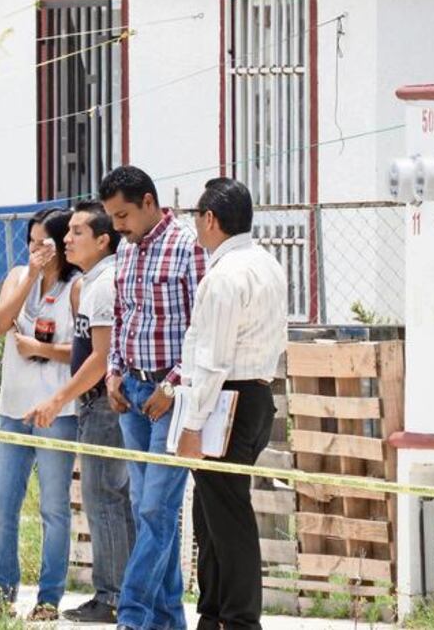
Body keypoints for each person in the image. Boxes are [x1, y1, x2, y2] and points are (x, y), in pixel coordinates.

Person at [174, 178, 287, 630]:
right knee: (212, 510)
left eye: (197, 217)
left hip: (227, 399)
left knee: (228, 513)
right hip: (255, 395)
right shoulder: (266, 263)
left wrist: (192, 424)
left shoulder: (225, 275)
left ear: (210, 219)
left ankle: (239, 619)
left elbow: (214, 358)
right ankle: (215, 611)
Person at [100, 166, 205, 630]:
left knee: (154, 509)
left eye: (122, 215)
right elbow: (123, 314)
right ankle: (168, 620)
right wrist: (114, 370)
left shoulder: (187, 246)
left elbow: (203, 327)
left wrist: (173, 383)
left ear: (148, 202)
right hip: (133, 391)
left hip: (173, 395)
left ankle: (134, 615)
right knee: (152, 513)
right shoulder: (126, 248)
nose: (117, 226)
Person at [26, 200, 135, 624]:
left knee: (103, 498)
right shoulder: (89, 282)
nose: (66, 239)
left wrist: (57, 399)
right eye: (66, 232)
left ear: (103, 240)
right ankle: (119, 592)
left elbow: (101, 357)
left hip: (103, 406)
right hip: (93, 404)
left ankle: (112, 596)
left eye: (76, 232)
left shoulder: (104, 283)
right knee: (108, 497)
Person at [0, 208, 79, 622]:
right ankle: (2, 593)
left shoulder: (77, 285)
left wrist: (41, 350)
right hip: (14, 408)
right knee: (3, 506)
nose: (37, 250)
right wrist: (31, 278)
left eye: (46, 243)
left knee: (53, 508)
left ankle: (49, 597)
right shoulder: (19, 276)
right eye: (32, 242)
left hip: (57, 408)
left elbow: (83, 352)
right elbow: (0, 324)